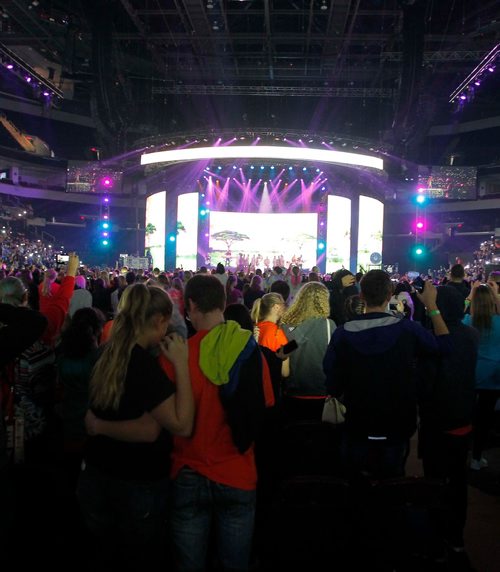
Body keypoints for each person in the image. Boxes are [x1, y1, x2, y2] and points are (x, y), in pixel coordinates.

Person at [78, 284, 194, 567]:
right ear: (159, 321)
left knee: (104, 552)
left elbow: (98, 418)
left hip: (96, 474)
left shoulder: (104, 354)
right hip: (138, 482)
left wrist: (99, 427)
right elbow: (181, 425)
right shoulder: (144, 366)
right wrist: (181, 364)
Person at [323, 270, 450, 479]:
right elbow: (444, 347)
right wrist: (432, 306)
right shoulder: (408, 330)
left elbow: (331, 377)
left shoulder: (342, 334)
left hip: (357, 420)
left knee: (355, 481)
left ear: (361, 295)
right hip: (398, 422)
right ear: (389, 294)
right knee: (393, 482)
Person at [418, 286, 479, 555]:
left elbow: (426, 385)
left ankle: (435, 538)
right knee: (457, 481)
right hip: (464, 416)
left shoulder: (433, 342)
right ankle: (456, 538)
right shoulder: (471, 335)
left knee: (434, 481)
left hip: (437, 421)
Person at [281, 282, 335, 422]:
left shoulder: (287, 326)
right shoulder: (329, 325)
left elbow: (282, 354)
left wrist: (296, 340)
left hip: (293, 390)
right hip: (321, 390)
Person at [463, 283, 500, 470]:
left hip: (471, 374)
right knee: (485, 420)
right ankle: (477, 458)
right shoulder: (499, 322)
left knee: (467, 418)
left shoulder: (468, 321)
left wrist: (469, 296)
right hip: (493, 377)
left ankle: (464, 455)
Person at [251, 292, 290, 379]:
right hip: (270, 383)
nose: (286, 308)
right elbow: (285, 372)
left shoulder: (255, 328)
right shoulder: (277, 333)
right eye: (284, 304)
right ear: (276, 307)